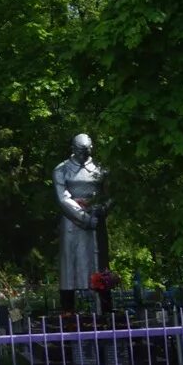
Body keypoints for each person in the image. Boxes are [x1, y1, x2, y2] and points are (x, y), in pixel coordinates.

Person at [53, 133, 108, 311]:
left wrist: (100, 209)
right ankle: (68, 314)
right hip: (72, 223)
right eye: (80, 150)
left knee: (100, 266)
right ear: (73, 149)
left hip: (96, 221)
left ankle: (104, 311)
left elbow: (110, 194)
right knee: (70, 268)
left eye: (87, 150)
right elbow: (63, 198)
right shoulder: (61, 170)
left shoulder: (101, 169)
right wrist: (85, 218)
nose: (84, 154)